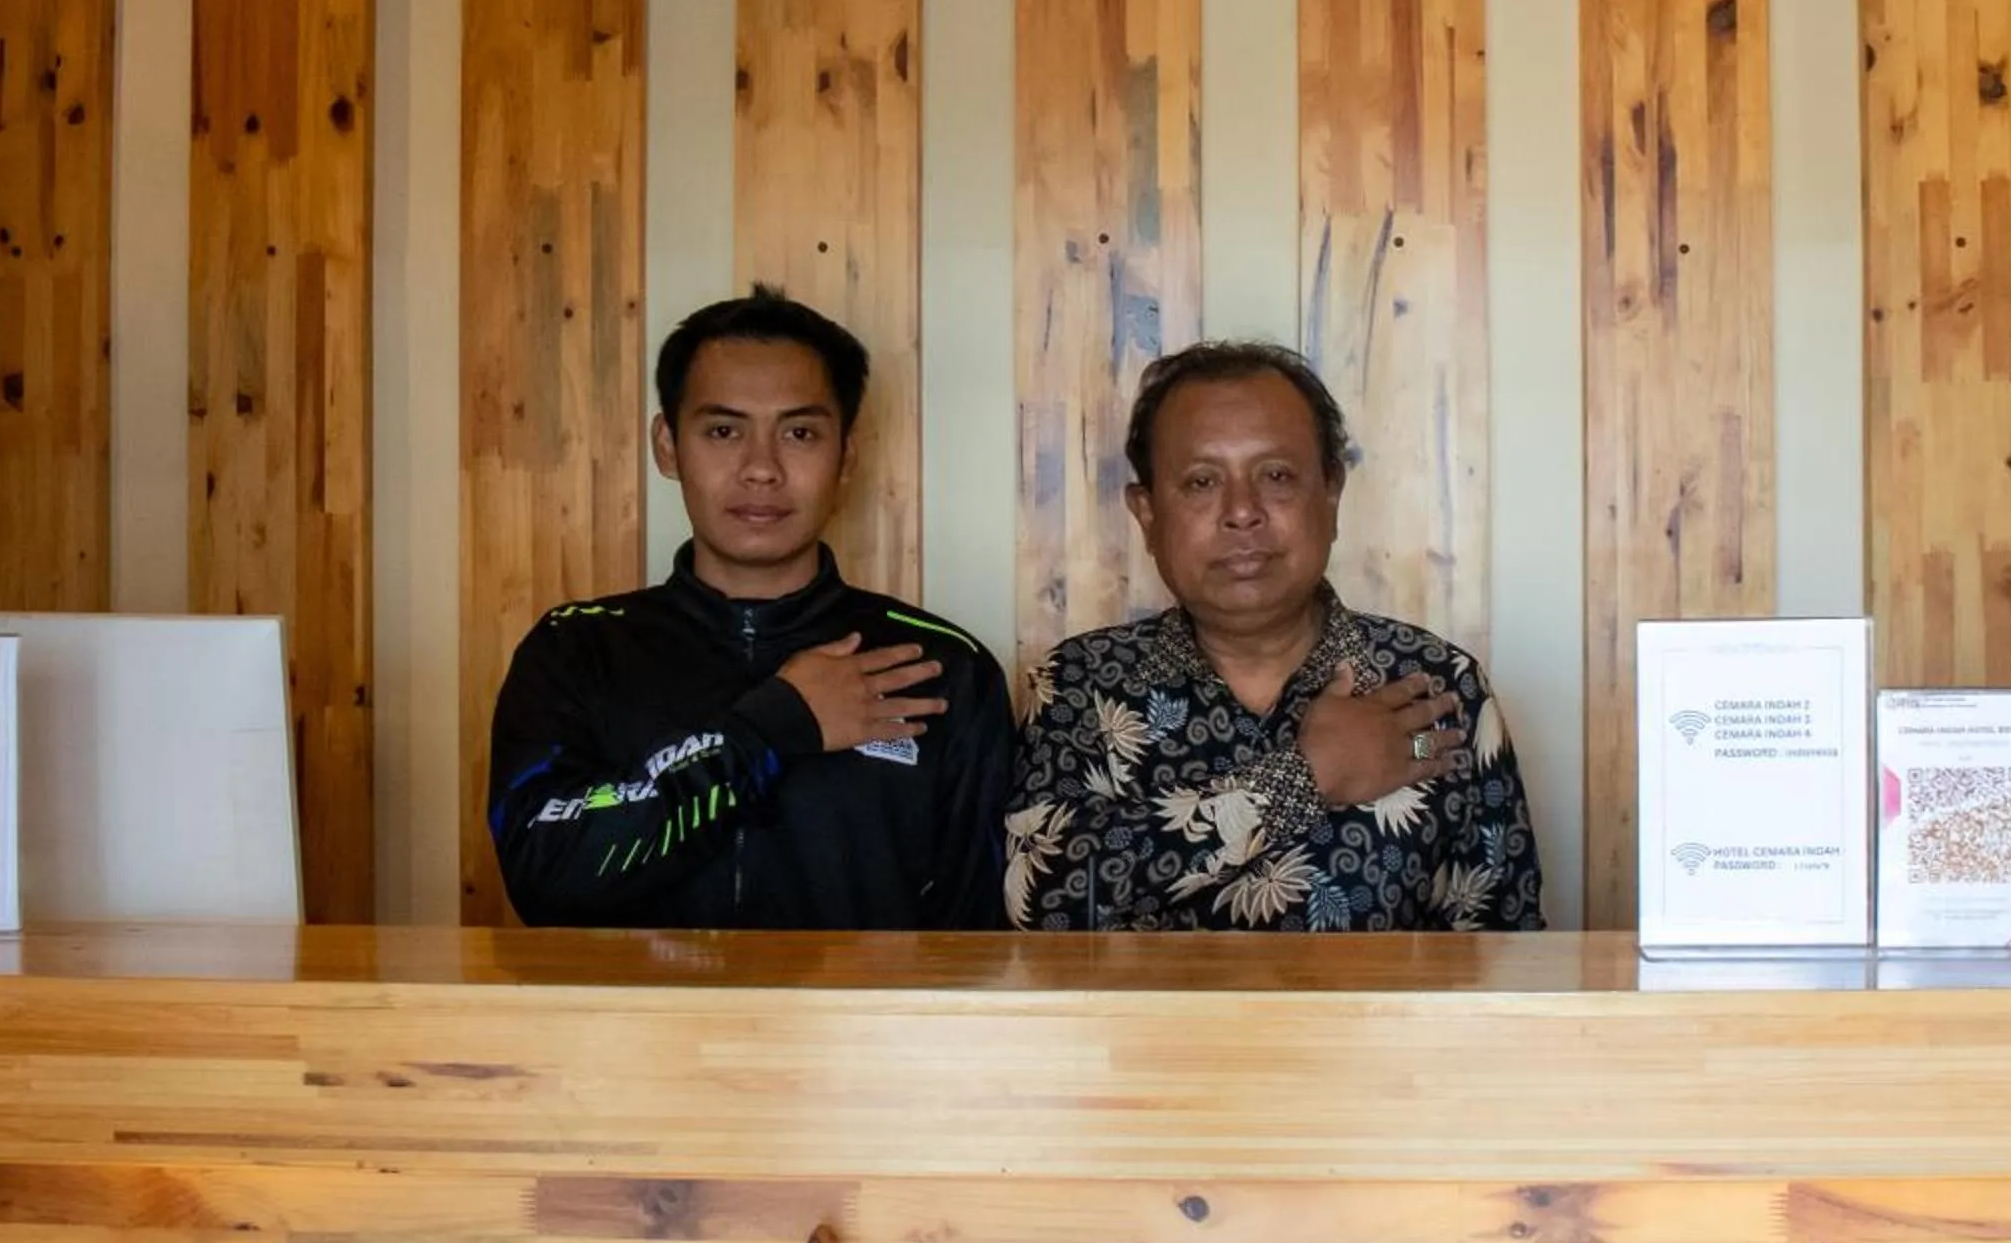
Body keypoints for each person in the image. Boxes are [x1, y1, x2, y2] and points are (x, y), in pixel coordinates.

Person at [488, 286, 1013, 929]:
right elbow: (548, 875)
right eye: (723, 430)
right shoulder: (575, 651)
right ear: (667, 446)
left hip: (861, 1032)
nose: (761, 468)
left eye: (798, 432)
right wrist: (770, 729)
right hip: (633, 1031)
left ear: (845, 455)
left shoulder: (941, 669)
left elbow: (974, 936)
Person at [1004, 341, 1542, 932]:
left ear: (1331, 495)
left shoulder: (1435, 687)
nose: (1242, 512)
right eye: (1202, 481)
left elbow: (1502, 949)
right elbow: (1042, 900)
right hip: (1147, 1031)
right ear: (1148, 514)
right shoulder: (1081, 682)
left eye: (1277, 476)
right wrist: (1306, 777)